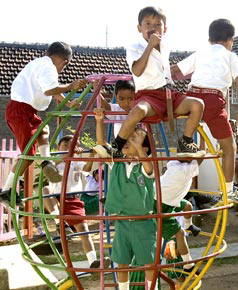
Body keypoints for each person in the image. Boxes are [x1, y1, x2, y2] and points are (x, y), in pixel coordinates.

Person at [100, 6, 205, 159]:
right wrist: (149, 46)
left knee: (198, 104)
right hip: (148, 95)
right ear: (139, 28)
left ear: (165, 29)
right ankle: (116, 145)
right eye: (147, 24)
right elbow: (136, 71)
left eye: (157, 24)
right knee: (138, 110)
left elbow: (165, 71)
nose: (153, 28)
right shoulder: (135, 48)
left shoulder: (165, 46)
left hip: (169, 94)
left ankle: (186, 142)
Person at [0, 42, 87, 206]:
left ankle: (47, 162)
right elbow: (49, 90)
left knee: (43, 131)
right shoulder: (49, 68)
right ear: (64, 61)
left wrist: (67, 103)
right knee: (28, 155)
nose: (62, 70)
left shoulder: (38, 63)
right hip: (21, 111)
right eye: (64, 67)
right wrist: (71, 86)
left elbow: (47, 89)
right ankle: (6, 190)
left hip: (26, 110)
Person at [171, 18, 238, 197]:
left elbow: (176, 69)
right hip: (213, 100)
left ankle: (186, 145)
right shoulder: (230, 55)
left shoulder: (202, 52)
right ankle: (228, 190)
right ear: (231, 41)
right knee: (230, 149)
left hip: (192, 99)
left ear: (209, 40)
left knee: (196, 137)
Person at [94, 108, 158, 290]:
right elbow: (102, 147)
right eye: (127, 140)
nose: (126, 143)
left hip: (143, 223)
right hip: (122, 221)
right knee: (121, 262)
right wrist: (99, 121)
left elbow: (149, 168)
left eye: (134, 140)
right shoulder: (118, 165)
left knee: (149, 262)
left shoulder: (145, 166)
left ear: (144, 148)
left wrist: (139, 148)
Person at [43, 135, 109, 268]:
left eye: (73, 145)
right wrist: (67, 156)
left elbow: (87, 169)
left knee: (83, 230)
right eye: (65, 145)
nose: (69, 148)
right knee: (45, 189)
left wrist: (90, 155)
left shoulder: (76, 162)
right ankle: (59, 222)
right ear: (58, 148)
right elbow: (51, 165)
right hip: (56, 199)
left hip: (73, 199)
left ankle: (93, 261)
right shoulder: (54, 159)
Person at [156, 142, 205, 273]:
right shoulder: (183, 170)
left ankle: (189, 225)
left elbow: (195, 157)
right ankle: (187, 265)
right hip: (159, 205)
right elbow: (202, 157)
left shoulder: (174, 163)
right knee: (179, 234)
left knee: (188, 206)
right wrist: (202, 141)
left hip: (170, 200)